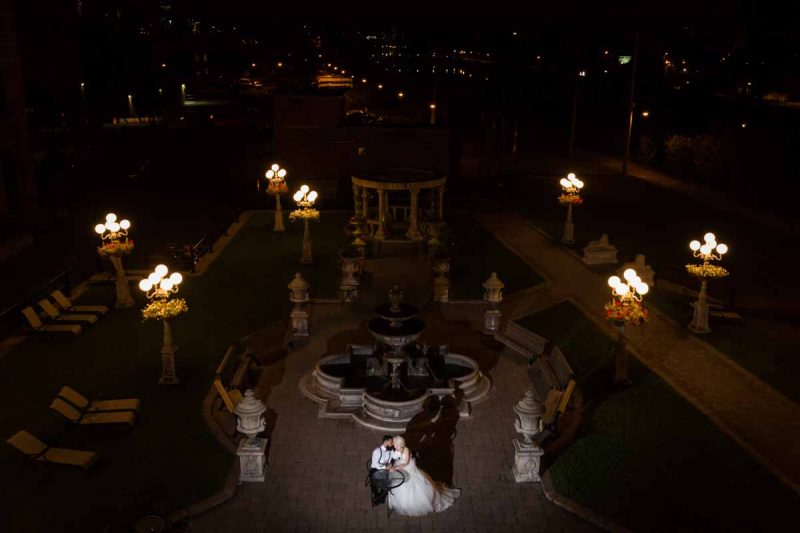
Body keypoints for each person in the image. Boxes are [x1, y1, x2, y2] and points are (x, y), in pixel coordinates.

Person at [386, 435, 460, 516]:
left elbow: (405, 463)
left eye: (395, 445)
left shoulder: (406, 450)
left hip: (408, 468)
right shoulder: (398, 449)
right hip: (401, 466)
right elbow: (395, 456)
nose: (394, 446)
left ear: (400, 444)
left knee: (414, 485)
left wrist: (395, 467)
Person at [368, 435, 397, 506]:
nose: (392, 444)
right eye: (391, 442)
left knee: (389, 483)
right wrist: (386, 466)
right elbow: (376, 464)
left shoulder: (390, 450)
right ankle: (378, 495)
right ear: (386, 442)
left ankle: (379, 497)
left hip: (385, 471)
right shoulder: (377, 451)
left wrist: (400, 449)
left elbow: (395, 456)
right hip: (375, 470)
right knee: (376, 483)